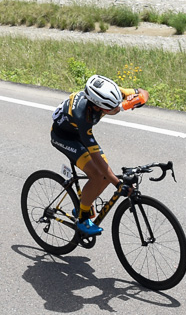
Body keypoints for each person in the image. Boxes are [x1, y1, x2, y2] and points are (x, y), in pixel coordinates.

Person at [50, 74, 149, 236]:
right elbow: (95, 156)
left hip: (80, 133)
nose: (118, 109)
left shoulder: (110, 93)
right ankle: (82, 219)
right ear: (96, 106)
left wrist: (138, 100)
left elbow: (143, 92)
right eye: (112, 108)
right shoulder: (83, 115)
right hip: (64, 137)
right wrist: (117, 184)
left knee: (105, 175)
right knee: (98, 174)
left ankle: (83, 204)